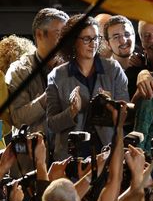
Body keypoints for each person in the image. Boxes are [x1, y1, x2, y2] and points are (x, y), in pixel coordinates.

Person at [46, 15, 129, 160]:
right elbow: (52, 124)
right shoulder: (57, 75)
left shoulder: (113, 69)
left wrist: (112, 105)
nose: (93, 44)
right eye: (86, 39)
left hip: (107, 152)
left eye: (96, 38)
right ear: (72, 41)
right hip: (70, 156)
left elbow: (126, 113)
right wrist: (72, 111)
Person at [6, 8, 68, 138]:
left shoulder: (72, 67)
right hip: (31, 153)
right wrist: (47, 97)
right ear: (39, 34)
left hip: (66, 151)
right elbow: (16, 119)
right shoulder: (19, 70)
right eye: (59, 34)